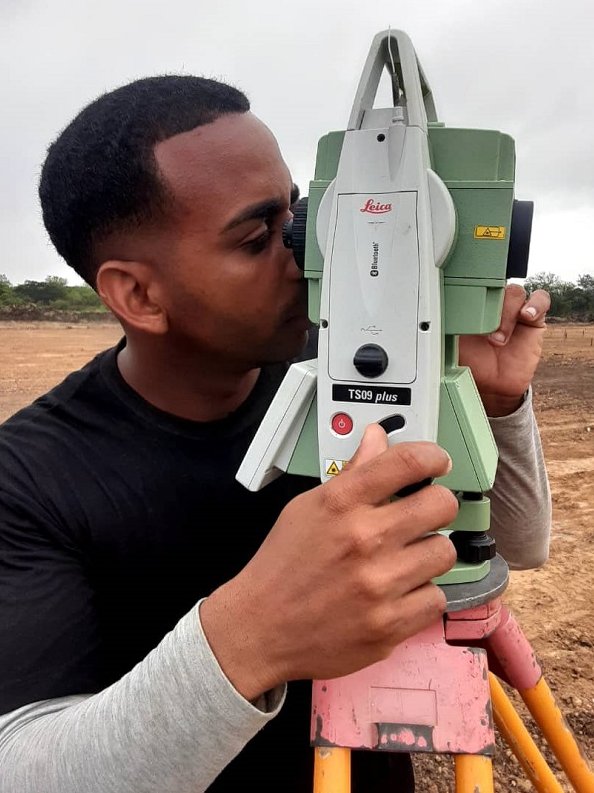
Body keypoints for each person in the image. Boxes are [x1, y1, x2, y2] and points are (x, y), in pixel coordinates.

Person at [0, 75, 551, 793]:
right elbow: (21, 768)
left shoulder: (343, 367)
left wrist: (495, 401)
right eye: (261, 237)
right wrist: (252, 634)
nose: (310, 250)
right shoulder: (30, 477)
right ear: (138, 294)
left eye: (305, 212)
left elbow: (519, 543)